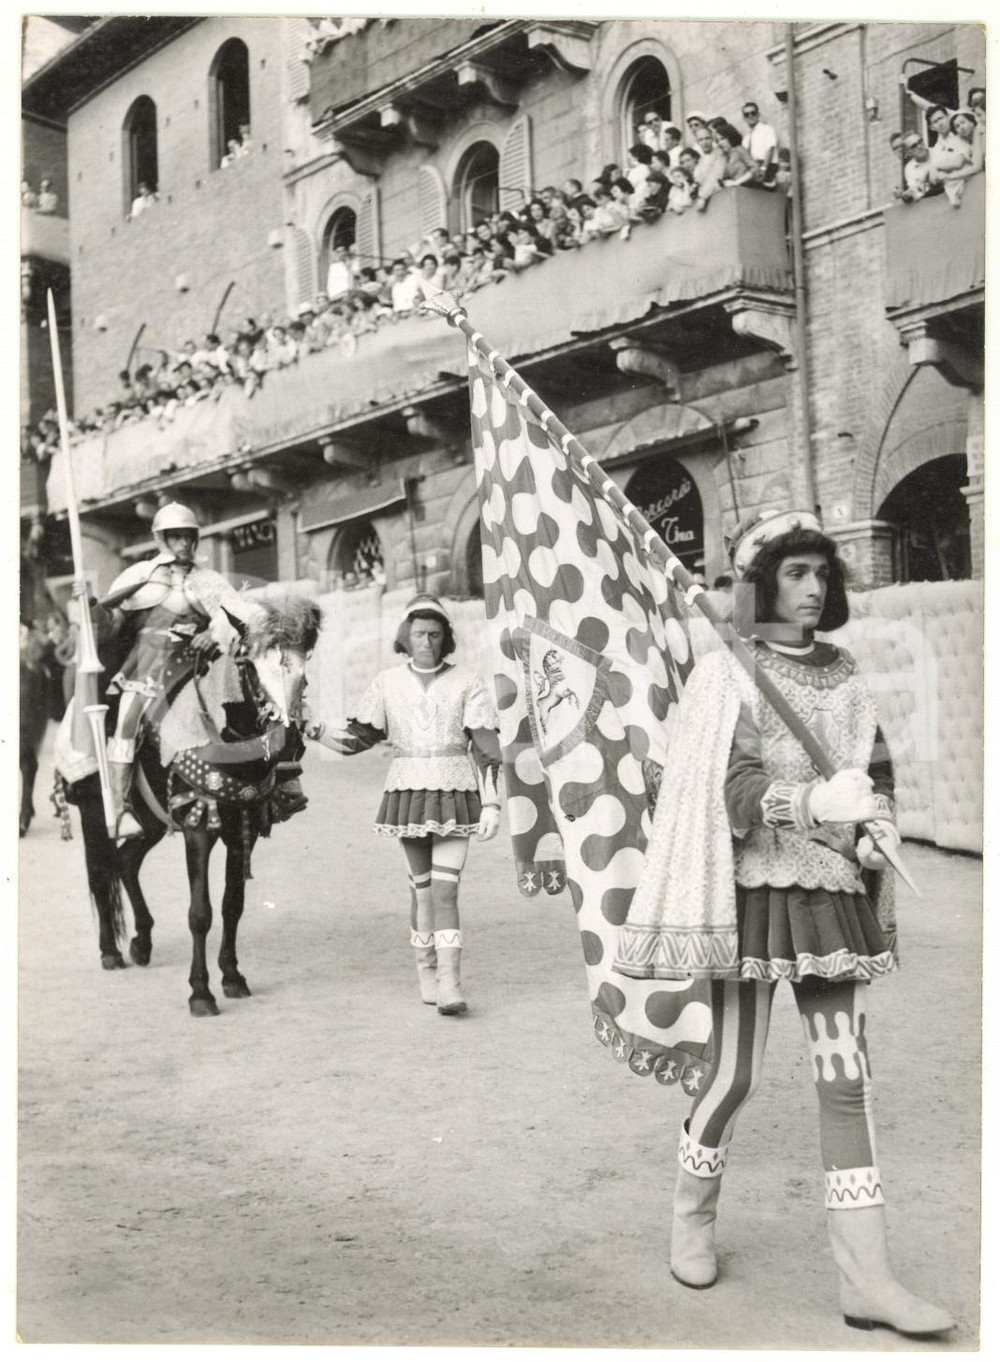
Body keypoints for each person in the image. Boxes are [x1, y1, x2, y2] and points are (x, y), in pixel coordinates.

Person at [615, 509, 954, 1340]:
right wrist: (803, 800)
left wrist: (872, 824)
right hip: (755, 896)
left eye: (821, 574)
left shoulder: (845, 671)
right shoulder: (731, 671)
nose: (814, 588)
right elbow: (730, 796)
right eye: (796, 573)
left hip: (830, 892)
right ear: (761, 585)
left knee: (845, 1083)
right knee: (733, 1077)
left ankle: (866, 1278)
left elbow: (872, 771)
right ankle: (690, 1220)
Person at [307, 596, 501, 1014]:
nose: (427, 641)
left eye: (434, 634)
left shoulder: (468, 682)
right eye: (418, 634)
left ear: (446, 637)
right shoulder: (387, 683)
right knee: (423, 892)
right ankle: (426, 974)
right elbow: (358, 738)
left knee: (447, 892)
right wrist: (314, 728)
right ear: (405, 638)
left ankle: (451, 983)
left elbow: (486, 748)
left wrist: (492, 805)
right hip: (408, 793)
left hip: (454, 793)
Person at [76, 502, 254, 838]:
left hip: (200, 663)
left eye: (188, 538)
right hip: (149, 662)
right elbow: (112, 624)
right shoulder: (139, 576)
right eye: (176, 538)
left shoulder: (209, 580)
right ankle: (122, 807)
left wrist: (213, 634)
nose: (184, 545)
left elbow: (238, 617)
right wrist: (93, 607)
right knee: (128, 720)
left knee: (248, 704)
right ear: (162, 540)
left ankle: (276, 787)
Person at [740, 101, 779, 183]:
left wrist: (763, 168)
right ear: (744, 118)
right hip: (754, 169)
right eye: (747, 114)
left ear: (758, 114)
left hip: (767, 167)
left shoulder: (767, 129)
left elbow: (770, 149)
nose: (750, 116)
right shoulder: (746, 139)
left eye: (753, 113)